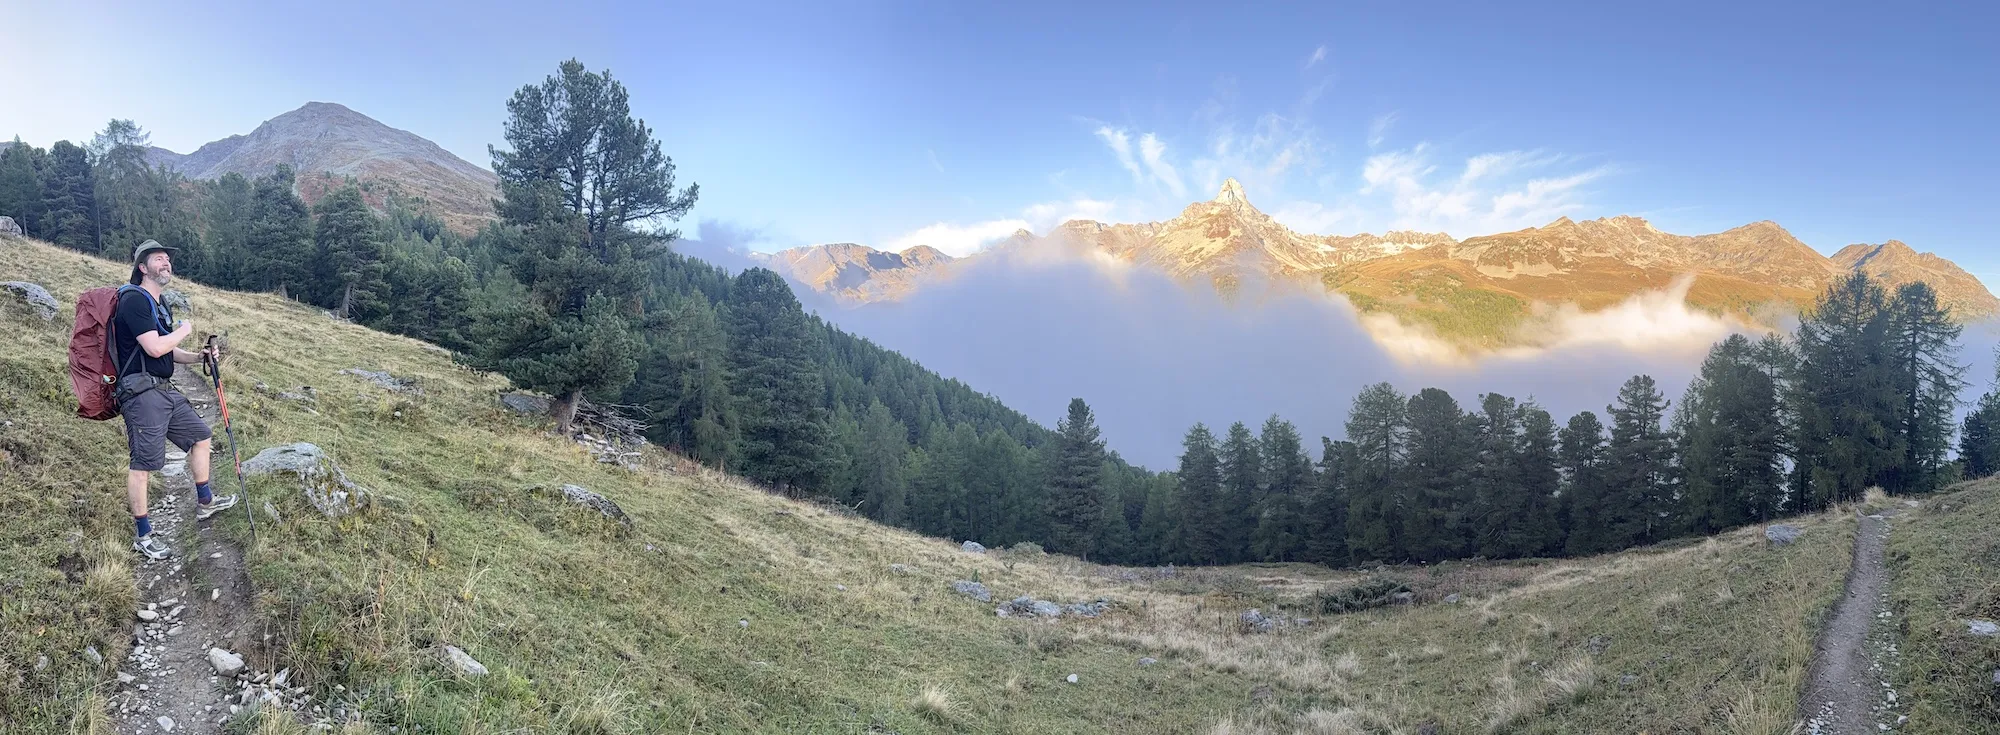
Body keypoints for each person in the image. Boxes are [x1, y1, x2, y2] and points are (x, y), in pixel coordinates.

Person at [117, 239, 232, 559]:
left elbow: (165, 350)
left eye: (168, 258)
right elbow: (154, 348)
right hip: (140, 393)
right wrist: (185, 329)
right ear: (142, 267)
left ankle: (205, 502)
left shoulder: (160, 303)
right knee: (144, 464)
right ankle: (144, 535)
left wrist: (199, 357)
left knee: (200, 437)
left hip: (164, 389)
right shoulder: (133, 300)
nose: (166, 263)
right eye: (158, 259)